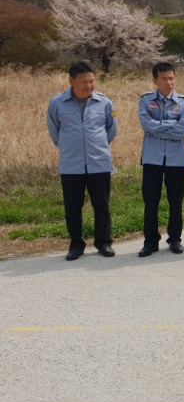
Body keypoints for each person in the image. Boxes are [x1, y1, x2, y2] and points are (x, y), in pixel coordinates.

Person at [46, 61, 118, 261]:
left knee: (102, 205)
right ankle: (76, 244)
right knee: (72, 207)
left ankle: (103, 242)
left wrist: (98, 145)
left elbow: (111, 129)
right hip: (71, 164)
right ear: (71, 81)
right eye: (84, 82)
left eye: (92, 81)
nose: (89, 86)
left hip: (99, 163)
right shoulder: (57, 103)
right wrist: (69, 145)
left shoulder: (104, 102)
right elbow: (54, 131)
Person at [137, 62, 184, 257]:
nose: (169, 82)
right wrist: (170, 124)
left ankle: (175, 239)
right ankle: (150, 242)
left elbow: (182, 131)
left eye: (171, 78)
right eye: (164, 79)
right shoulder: (145, 100)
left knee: (176, 202)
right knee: (151, 202)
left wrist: (157, 127)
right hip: (152, 159)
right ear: (155, 80)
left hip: (176, 160)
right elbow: (146, 125)